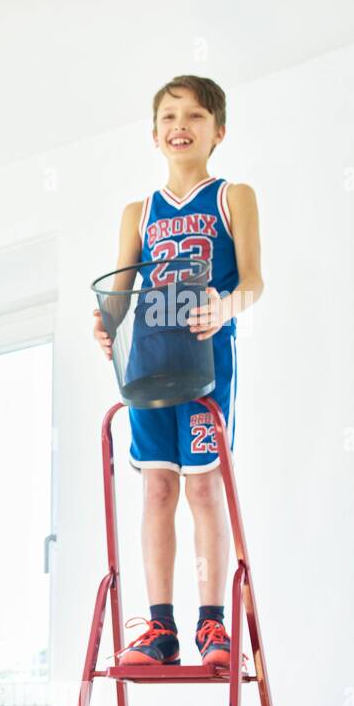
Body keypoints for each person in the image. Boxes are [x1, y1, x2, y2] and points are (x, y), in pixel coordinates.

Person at [92, 76, 264, 669]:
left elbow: (253, 283)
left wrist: (227, 306)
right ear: (154, 132)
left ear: (218, 131)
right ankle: (158, 628)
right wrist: (106, 324)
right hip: (150, 365)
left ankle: (212, 626)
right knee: (157, 486)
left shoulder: (231, 196)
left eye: (194, 115)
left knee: (203, 485)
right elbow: (119, 290)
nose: (180, 125)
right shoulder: (138, 212)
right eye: (168, 116)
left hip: (206, 360)